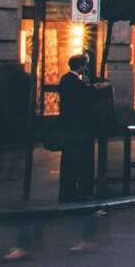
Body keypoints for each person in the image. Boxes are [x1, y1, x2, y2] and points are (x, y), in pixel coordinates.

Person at [57, 53, 96, 203]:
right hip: (73, 126)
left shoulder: (67, 79)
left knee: (70, 160)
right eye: (85, 65)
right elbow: (81, 99)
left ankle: (68, 191)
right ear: (80, 66)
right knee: (72, 160)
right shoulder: (73, 81)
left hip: (69, 125)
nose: (86, 68)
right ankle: (69, 192)